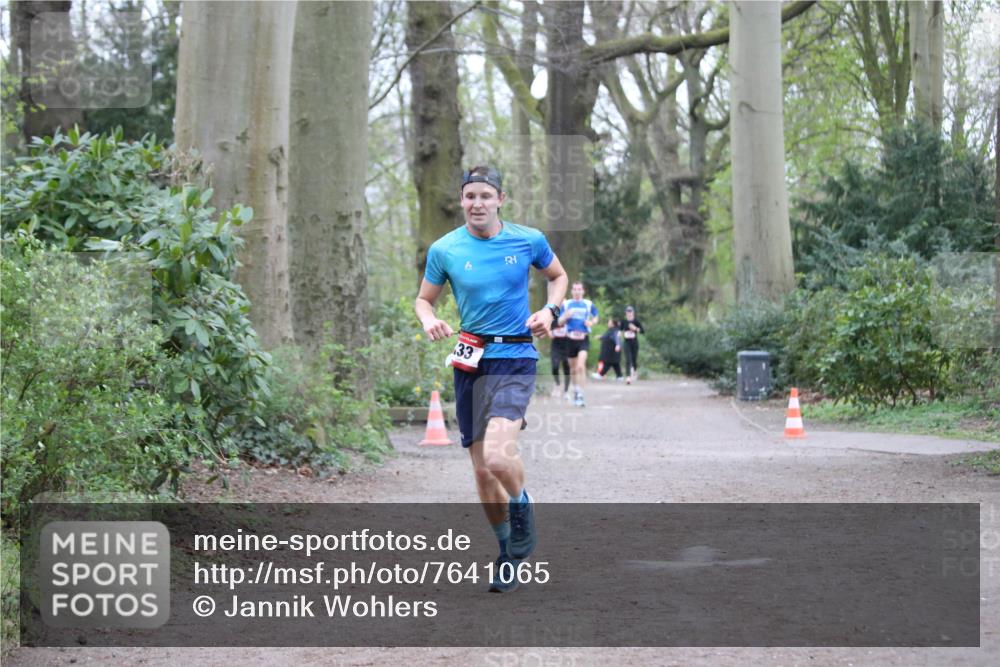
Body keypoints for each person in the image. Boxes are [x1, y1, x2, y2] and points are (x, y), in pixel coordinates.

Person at [415, 165, 568, 594]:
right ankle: (506, 553)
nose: (477, 203)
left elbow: (557, 277)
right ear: (462, 201)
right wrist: (429, 320)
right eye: (470, 196)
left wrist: (550, 311)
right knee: (483, 474)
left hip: (516, 354)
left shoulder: (528, 240)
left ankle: (522, 508)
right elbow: (424, 300)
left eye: (485, 195)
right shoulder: (444, 249)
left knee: (500, 459)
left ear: (501, 199)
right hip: (470, 359)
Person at [558, 281, 599, 407]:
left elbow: (596, 316)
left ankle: (581, 394)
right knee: (573, 369)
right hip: (570, 340)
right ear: (572, 291)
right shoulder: (566, 304)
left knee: (581, 366)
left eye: (579, 289)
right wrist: (565, 316)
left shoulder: (588, 304)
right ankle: (576, 391)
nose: (577, 291)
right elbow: (559, 322)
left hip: (583, 339)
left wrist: (592, 322)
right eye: (574, 289)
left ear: (583, 291)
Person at [621, 305, 645, 384]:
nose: (629, 313)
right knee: (628, 359)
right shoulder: (624, 322)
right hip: (626, 342)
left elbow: (642, 331)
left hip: (634, 343)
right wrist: (619, 334)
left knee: (634, 359)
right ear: (626, 313)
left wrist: (635, 328)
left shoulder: (636, 321)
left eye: (630, 311)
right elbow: (619, 330)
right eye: (628, 312)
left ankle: (634, 371)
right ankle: (628, 377)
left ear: (633, 313)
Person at [549, 320, 571, 400]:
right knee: (555, 366)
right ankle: (557, 384)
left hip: (567, 346)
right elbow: (548, 330)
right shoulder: (554, 319)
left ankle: (566, 391)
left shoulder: (570, 319)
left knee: (567, 369)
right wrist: (550, 332)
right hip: (556, 346)